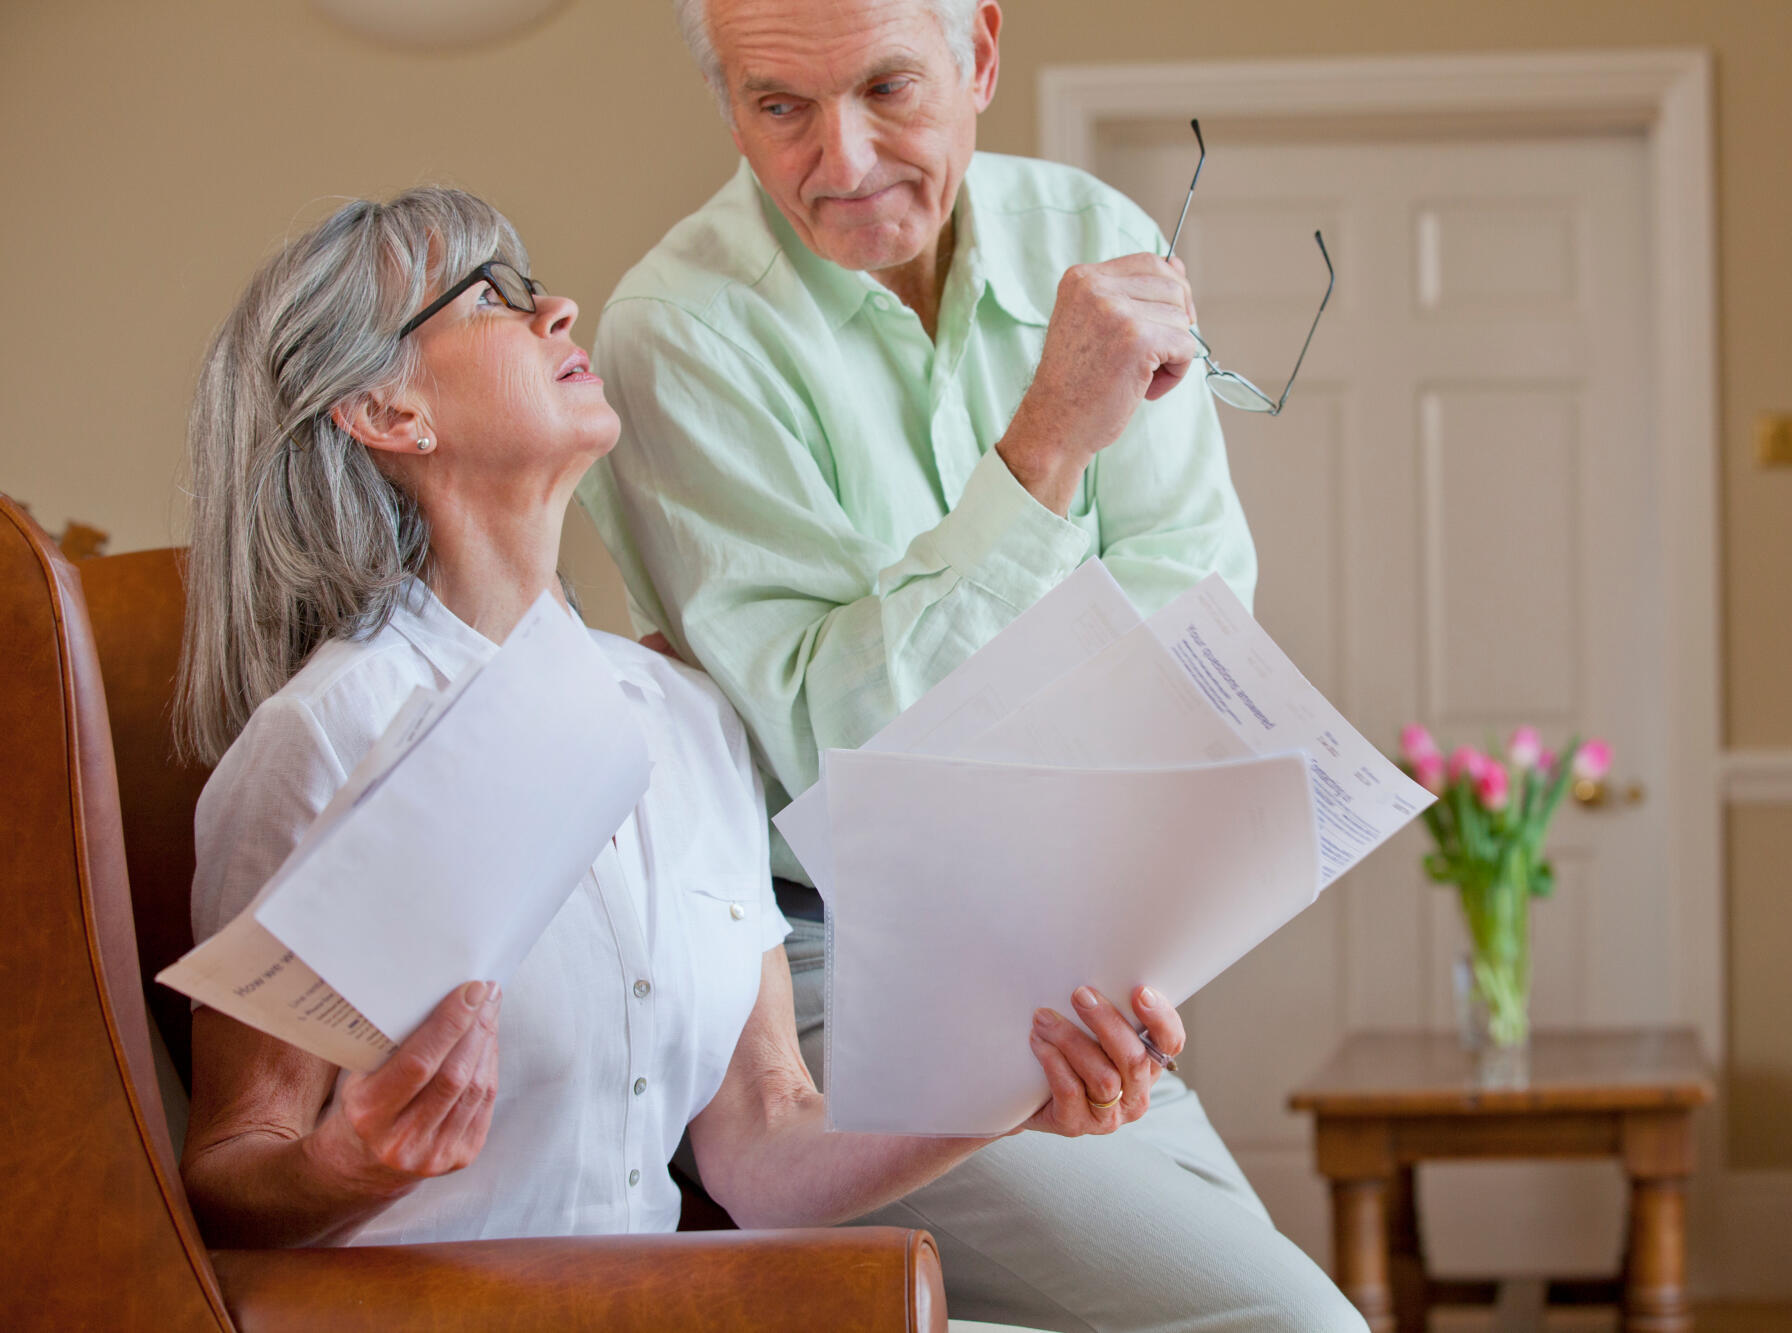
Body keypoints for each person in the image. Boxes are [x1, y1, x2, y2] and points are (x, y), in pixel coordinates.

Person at [173, 185, 1189, 1252]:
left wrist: (1013, 1090)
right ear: (389, 415)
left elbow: (763, 1150)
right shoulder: (322, 737)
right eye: (490, 298)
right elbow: (233, 1166)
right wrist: (347, 1169)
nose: (557, 308)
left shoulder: (686, 716)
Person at [576, 1, 1361, 1328]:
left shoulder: (1093, 236)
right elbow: (846, 759)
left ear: (981, 55)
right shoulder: (681, 335)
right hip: (827, 976)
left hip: (1067, 951)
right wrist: (1044, 450)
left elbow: (1195, 612)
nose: (842, 156)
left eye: (889, 88)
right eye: (779, 106)